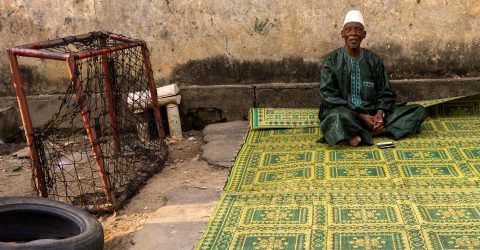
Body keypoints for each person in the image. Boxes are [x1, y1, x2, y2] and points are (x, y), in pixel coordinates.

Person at [318, 10, 426, 146]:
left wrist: (380, 113)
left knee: (418, 111)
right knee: (336, 117)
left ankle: (366, 133)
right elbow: (328, 96)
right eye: (349, 30)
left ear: (364, 34)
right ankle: (372, 131)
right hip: (348, 115)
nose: (353, 34)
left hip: (372, 114)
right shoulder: (332, 61)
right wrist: (360, 115)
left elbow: (385, 91)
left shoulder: (373, 60)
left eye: (358, 30)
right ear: (343, 34)